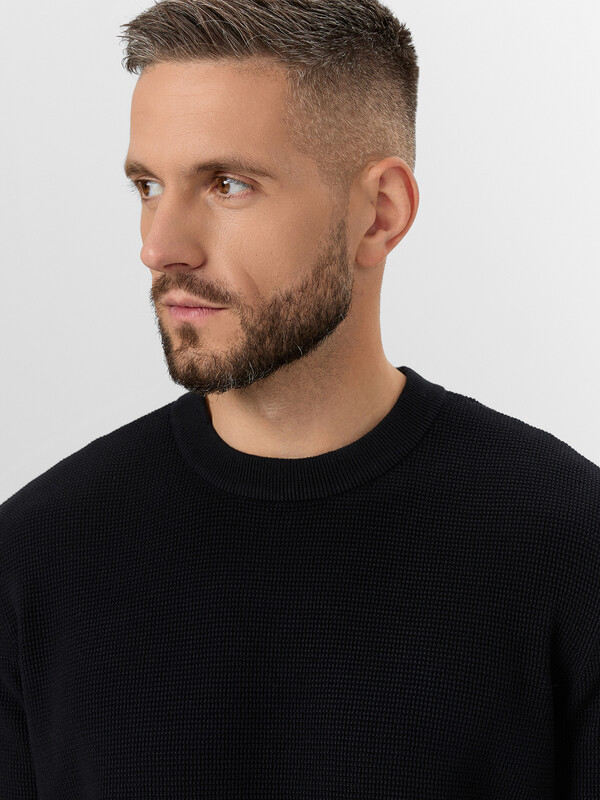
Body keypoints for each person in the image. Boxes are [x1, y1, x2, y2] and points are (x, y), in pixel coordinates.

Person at [1, 0, 598, 796]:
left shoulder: (569, 546)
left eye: (227, 184)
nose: (159, 246)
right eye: (148, 184)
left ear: (379, 214)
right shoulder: (35, 558)